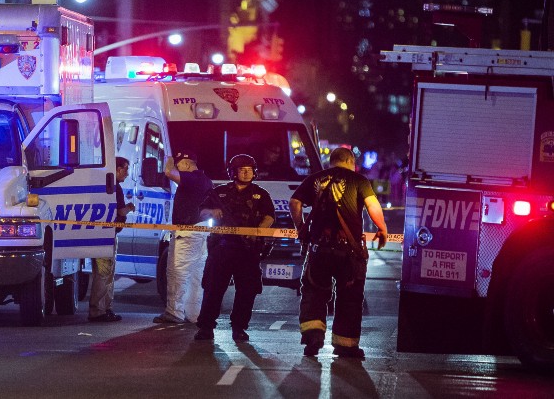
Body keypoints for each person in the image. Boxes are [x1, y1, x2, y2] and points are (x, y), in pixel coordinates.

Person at [289, 147, 389, 358]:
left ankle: (313, 337)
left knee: (314, 292)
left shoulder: (315, 179)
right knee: (350, 298)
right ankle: (345, 345)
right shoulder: (359, 180)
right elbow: (373, 206)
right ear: (350, 161)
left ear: (331, 162)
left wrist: (300, 228)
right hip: (348, 252)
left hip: (320, 249)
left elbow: (294, 202)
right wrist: (382, 228)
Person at [194, 154, 275, 342]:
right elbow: (201, 211)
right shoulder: (219, 192)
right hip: (221, 249)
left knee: (247, 291)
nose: (247, 173)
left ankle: (239, 328)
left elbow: (269, 216)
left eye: (250, 169)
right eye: (242, 169)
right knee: (213, 288)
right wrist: (211, 212)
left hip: (247, 251)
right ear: (233, 172)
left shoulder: (261, 194)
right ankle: (206, 327)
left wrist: (257, 231)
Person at [153, 149, 213, 324]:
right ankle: (193, 314)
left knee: (177, 272)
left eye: (180, 166)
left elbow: (168, 172)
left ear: (187, 164)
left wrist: (169, 158)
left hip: (187, 234)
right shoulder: (206, 180)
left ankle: (174, 312)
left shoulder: (192, 178)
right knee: (195, 276)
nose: (178, 169)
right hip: (200, 233)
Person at [88, 156, 135, 322]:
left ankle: (105, 309)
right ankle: (98, 311)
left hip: (107, 234)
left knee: (106, 274)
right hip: (106, 236)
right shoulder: (114, 188)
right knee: (103, 274)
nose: (127, 173)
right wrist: (129, 207)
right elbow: (120, 212)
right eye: (126, 169)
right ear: (117, 169)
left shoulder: (107, 186)